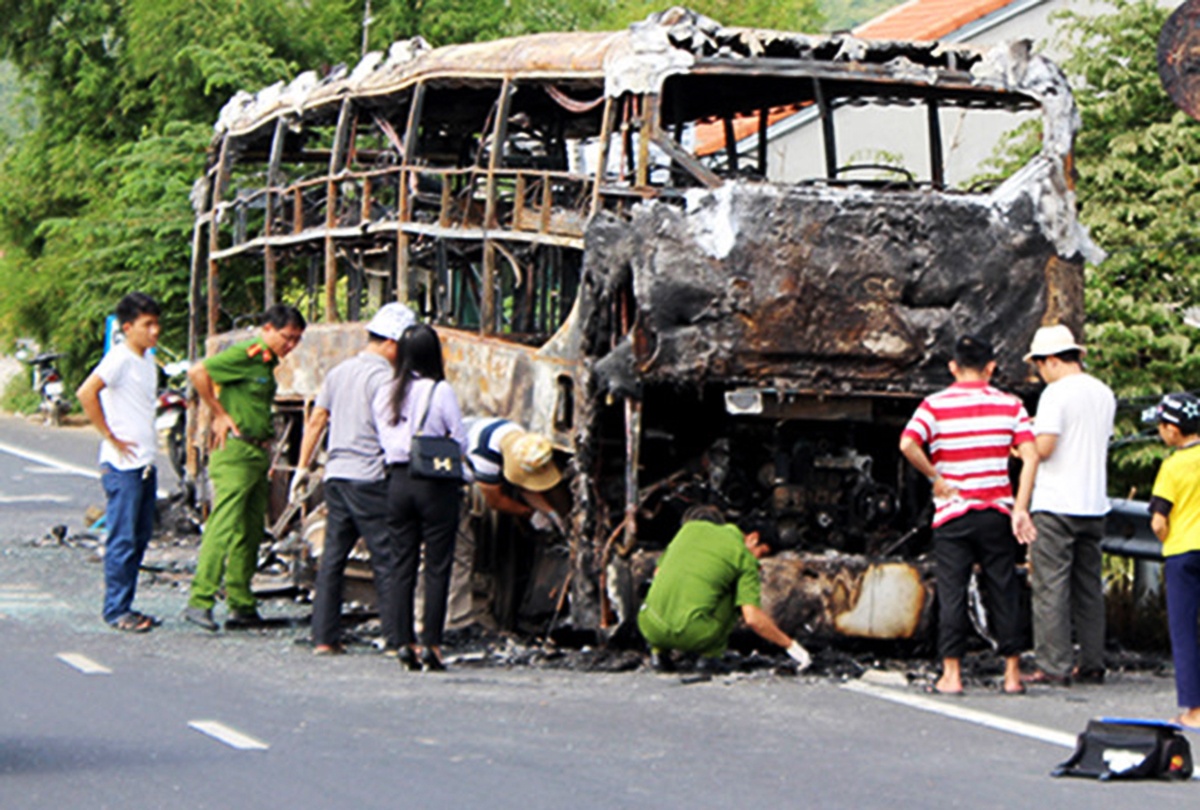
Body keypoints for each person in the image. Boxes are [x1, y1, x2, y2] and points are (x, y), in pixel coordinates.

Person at [899, 335, 1038, 696]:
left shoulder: (934, 405)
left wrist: (935, 477)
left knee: (952, 590)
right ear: (991, 368)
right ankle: (1011, 674)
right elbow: (1032, 454)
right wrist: (1020, 508)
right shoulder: (1011, 406)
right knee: (1004, 588)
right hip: (997, 512)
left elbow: (907, 443)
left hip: (953, 514)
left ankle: (952, 674)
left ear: (952, 367)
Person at [291, 303, 415, 655]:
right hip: (370, 478)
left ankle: (324, 638)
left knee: (332, 558)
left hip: (337, 476)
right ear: (393, 342)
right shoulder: (387, 380)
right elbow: (393, 430)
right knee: (386, 557)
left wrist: (303, 467)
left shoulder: (339, 372)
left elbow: (317, 420)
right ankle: (396, 640)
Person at [184, 304, 306, 631]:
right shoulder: (247, 354)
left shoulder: (267, 363)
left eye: (296, 340)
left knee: (250, 532)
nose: (290, 345)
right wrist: (218, 413)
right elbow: (198, 372)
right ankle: (201, 599)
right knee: (223, 526)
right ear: (267, 329)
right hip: (234, 452)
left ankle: (241, 602)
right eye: (286, 337)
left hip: (256, 451)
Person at [1023, 325, 1115, 686]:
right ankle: (1093, 662)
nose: (1039, 372)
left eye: (1039, 364)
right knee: (1088, 588)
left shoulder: (1056, 394)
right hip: (1095, 503)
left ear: (1051, 361)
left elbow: (1044, 448)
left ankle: (1053, 665)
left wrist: (1020, 447)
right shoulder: (1103, 393)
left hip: (1056, 503)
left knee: (1051, 587)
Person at [373, 324, 467, 671]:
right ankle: (432, 644)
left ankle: (403, 642)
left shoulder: (384, 391)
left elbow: (382, 436)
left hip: (397, 481)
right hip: (434, 483)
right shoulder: (440, 390)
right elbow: (459, 440)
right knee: (437, 567)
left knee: (402, 565)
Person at [637, 505, 812, 674]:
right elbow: (752, 618)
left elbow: (658, 572)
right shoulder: (744, 558)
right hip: (695, 634)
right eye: (762, 553)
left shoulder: (690, 530)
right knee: (735, 592)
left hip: (649, 627)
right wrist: (791, 646)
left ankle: (659, 654)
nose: (760, 559)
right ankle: (709, 657)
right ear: (753, 538)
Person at [76, 292, 162, 633]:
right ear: (128, 327)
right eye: (147, 325)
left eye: (157, 324)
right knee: (122, 539)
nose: (155, 331)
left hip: (143, 464)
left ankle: (126, 604)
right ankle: (115, 610)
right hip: (122, 466)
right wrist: (109, 435)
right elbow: (87, 392)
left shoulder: (146, 361)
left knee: (139, 538)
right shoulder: (120, 358)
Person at [1148, 392, 1200, 729]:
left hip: (1183, 553)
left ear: (1173, 430)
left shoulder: (1172, 465)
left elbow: (1158, 520)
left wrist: (1165, 536)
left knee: (1185, 631)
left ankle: (1195, 710)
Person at [463, 417, 568, 529]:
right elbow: (494, 501)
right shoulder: (484, 458)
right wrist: (531, 514)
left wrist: (551, 512)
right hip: (452, 470)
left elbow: (525, 484)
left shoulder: (520, 437)